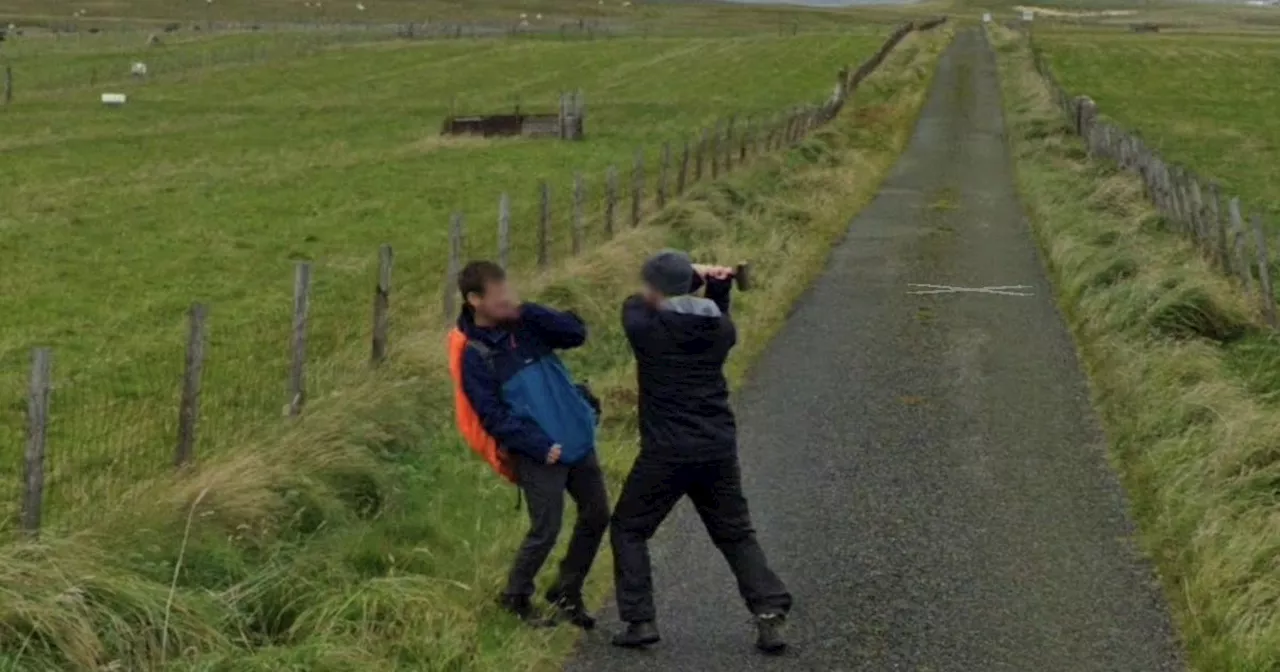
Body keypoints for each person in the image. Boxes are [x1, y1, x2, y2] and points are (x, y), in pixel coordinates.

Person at [609, 249, 793, 654]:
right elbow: (713, 311)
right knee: (735, 533)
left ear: (656, 290)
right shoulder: (721, 331)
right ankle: (769, 615)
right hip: (716, 448)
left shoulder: (646, 329)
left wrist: (690, 274)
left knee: (629, 528)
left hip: (666, 453)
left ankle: (640, 621)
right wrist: (716, 283)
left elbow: (634, 304)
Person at [448, 260, 610, 629]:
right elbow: (491, 415)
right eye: (500, 298)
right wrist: (537, 445)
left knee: (597, 514)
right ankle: (515, 597)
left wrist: (528, 311)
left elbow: (576, 334)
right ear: (475, 300)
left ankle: (567, 589)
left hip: (575, 436)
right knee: (546, 529)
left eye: (510, 295)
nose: (509, 302)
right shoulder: (474, 355)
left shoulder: (527, 323)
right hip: (539, 454)